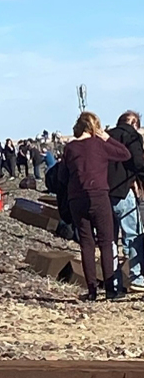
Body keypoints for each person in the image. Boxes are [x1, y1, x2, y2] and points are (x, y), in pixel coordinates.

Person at [59, 111, 131, 301]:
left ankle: (91, 290)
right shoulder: (99, 144)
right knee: (107, 242)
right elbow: (125, 154)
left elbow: (62, 177)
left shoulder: (70, 148)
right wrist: (107, 138)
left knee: (87, 244)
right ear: (95, 127)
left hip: (77, 199)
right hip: (99, 196)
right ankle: (110, 290)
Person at [107, 111, 144, 292]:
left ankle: (114, 283)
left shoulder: (105, 137)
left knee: (110, 240)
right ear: (134, 123)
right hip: (124, 191)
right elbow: (138, 163)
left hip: (104, 193)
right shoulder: (132, 136)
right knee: (133, 235)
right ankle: (136, 277)